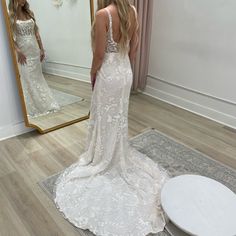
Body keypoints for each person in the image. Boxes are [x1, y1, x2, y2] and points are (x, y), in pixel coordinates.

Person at [54, 0, 170, 235]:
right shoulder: (133, 11)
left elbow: (98, 54)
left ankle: (103, 157)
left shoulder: (102, 15)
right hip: (125, 71)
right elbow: (134, 46)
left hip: (108, 73)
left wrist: (92, 73)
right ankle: (116, 152)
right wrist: (124, 63)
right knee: (118, 118)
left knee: (105, 118)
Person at [8, 0, 60, 118]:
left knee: (37, 77)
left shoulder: (29, 12)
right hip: (23, 52)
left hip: (34, 50)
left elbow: (36, 32)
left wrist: (42, 49)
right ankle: (32, 106)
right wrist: (18, 51)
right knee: (27, 78)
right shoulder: (10, 15)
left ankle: (44, 103)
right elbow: (10, 37)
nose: (25, 0)